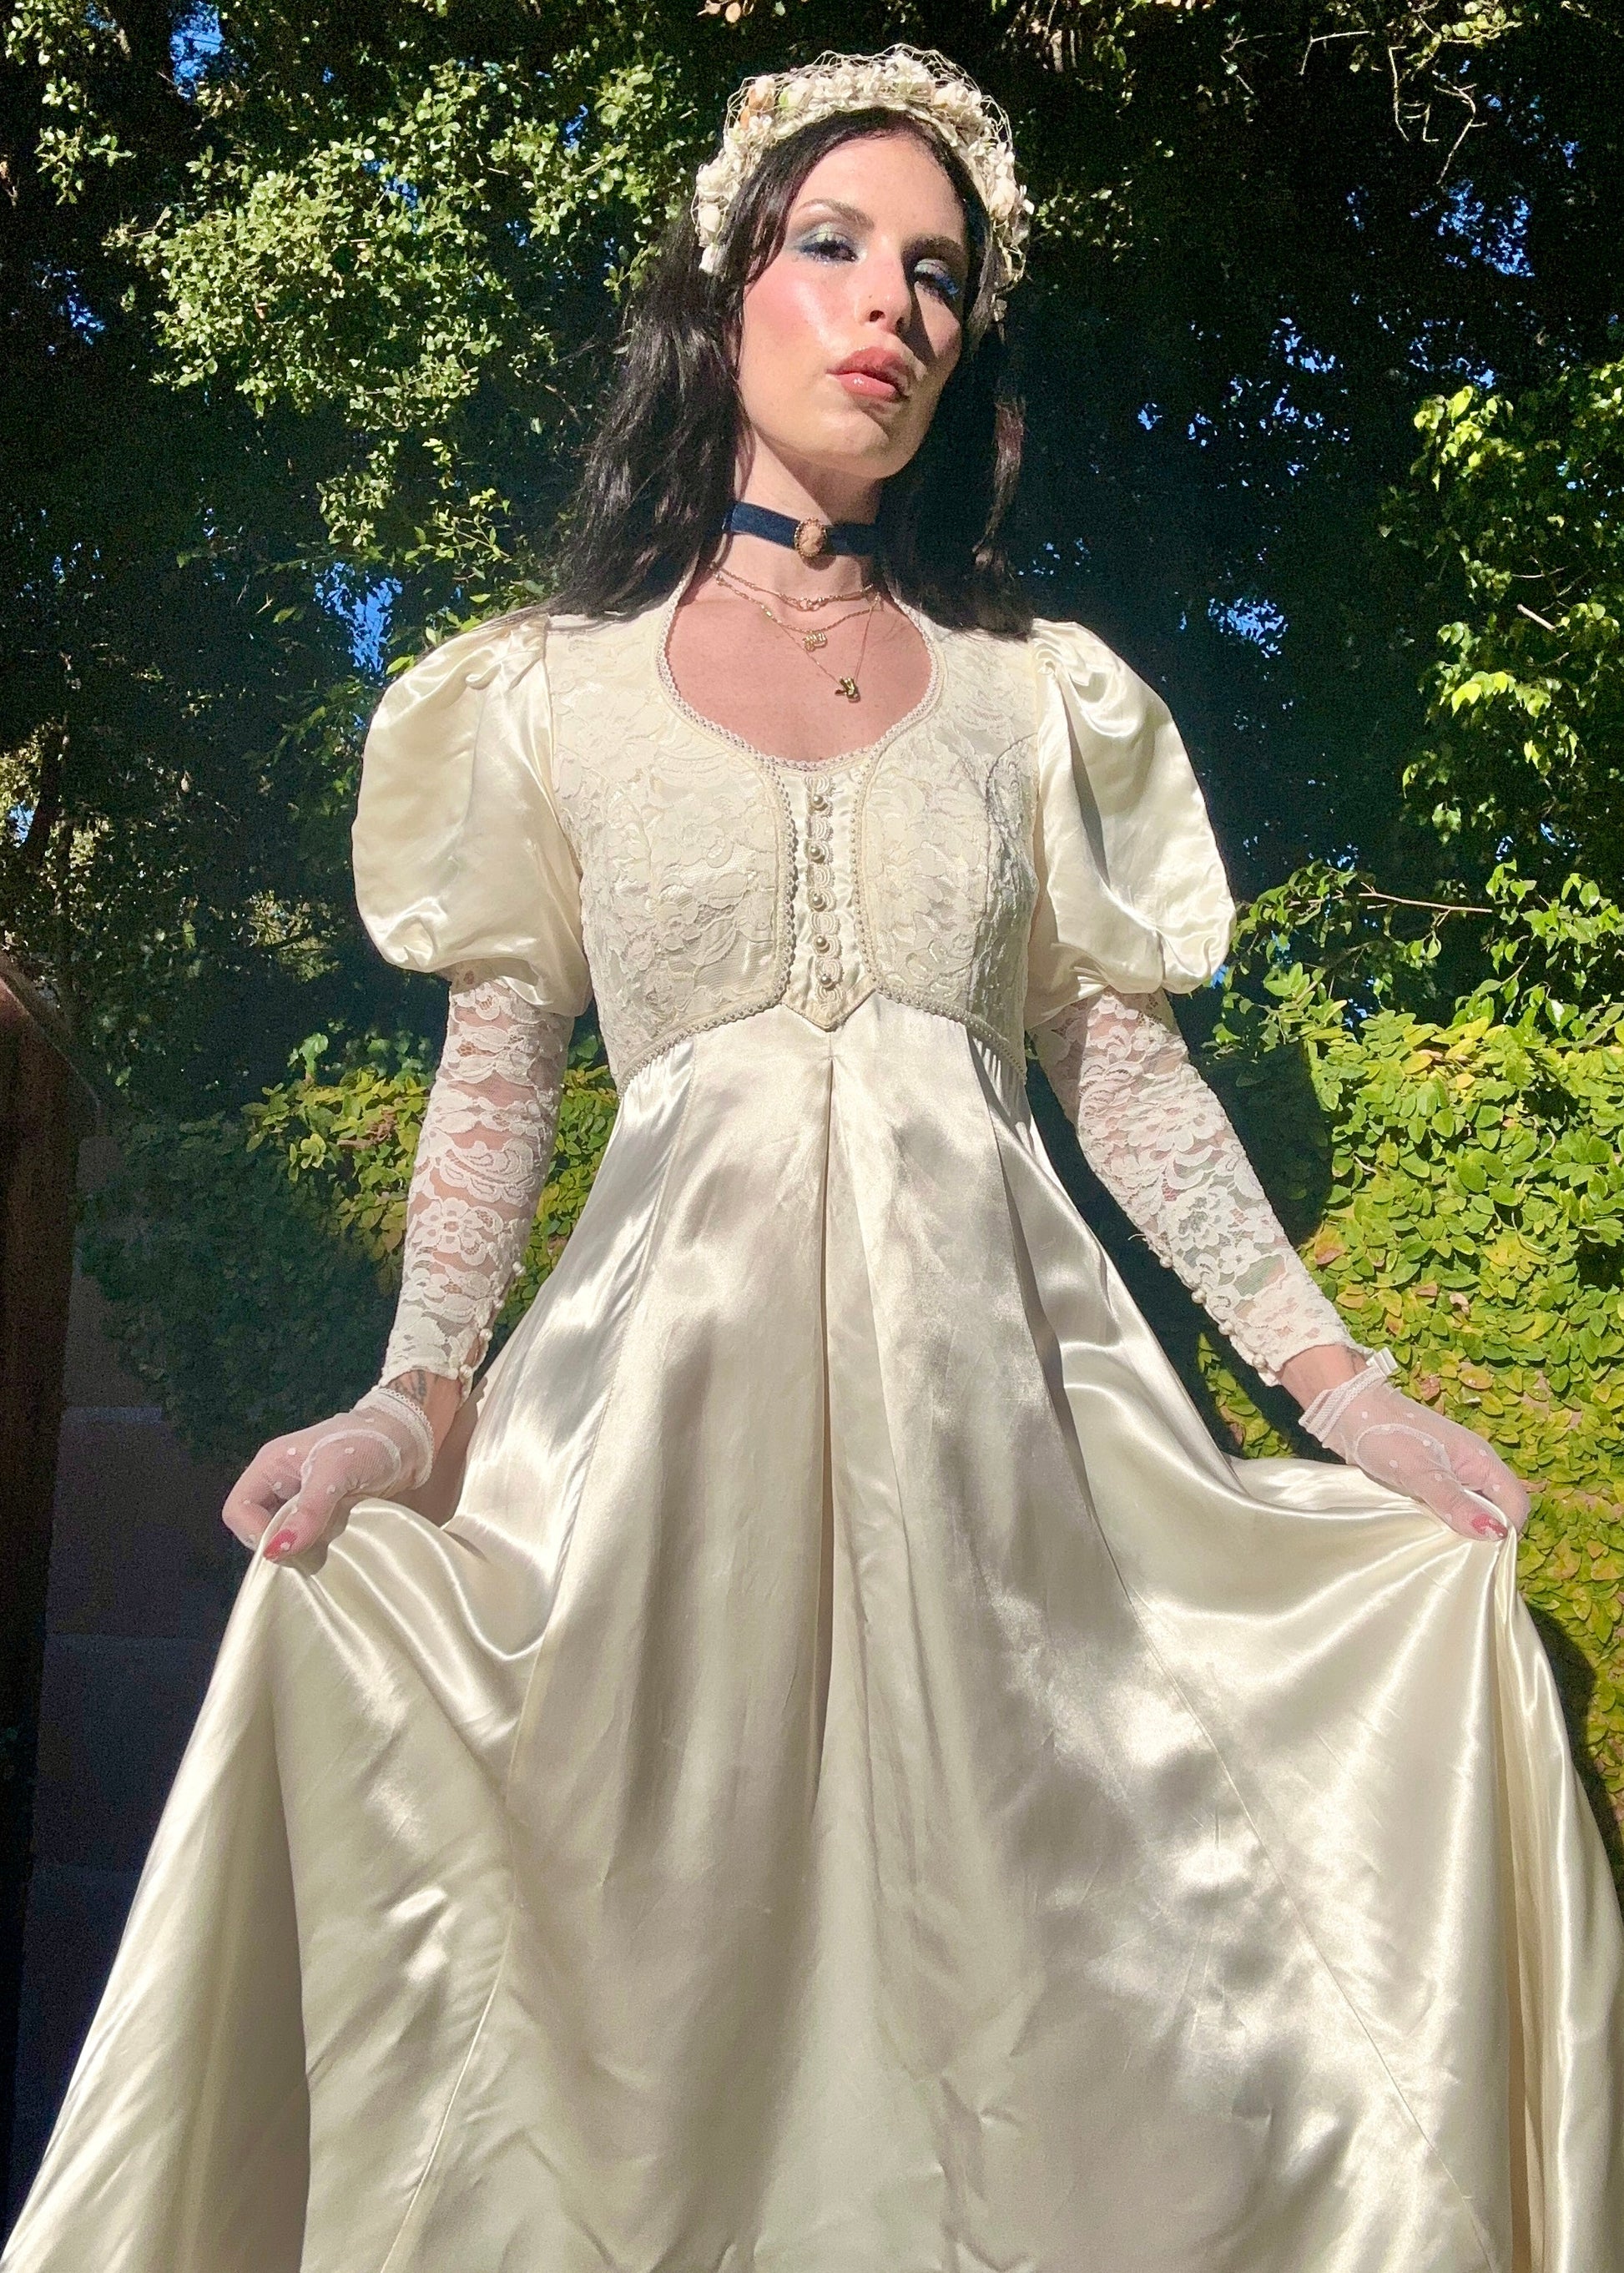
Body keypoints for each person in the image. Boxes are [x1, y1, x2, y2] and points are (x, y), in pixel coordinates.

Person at [6, 44, 1621, 2273]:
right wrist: (408, 1403)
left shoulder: (1032, 698)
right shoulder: (544, 695)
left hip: (1007, 1445)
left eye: (939, 275)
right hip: (658, 1455)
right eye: (835, 245)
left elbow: (1121, 1068)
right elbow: (499, 1071)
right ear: (726, 291)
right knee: (641, 1996)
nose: (889, 304)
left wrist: (1346, 1395)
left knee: (1062, 1972)